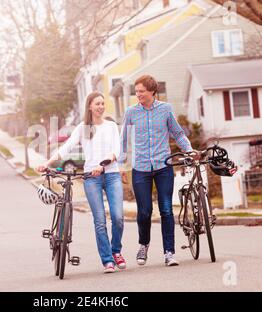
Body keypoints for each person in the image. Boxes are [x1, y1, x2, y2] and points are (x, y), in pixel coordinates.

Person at [37, 92, 126, 274]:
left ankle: (116, 251)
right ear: (90, 107)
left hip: (111, 174)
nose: (101, 106)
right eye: (97, 104)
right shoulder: (83, 128)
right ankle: (107, 260)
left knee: (118, 218)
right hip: (91, 178)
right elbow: (66, 148)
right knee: (100, 220)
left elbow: (117, 149)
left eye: (102, 103)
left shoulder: (111, 126)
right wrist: (47, 163)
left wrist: (104, 164)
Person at [119, 75, 196, 267]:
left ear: (152, 92)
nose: (138, 95)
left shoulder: (166, 109)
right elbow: (123, 141)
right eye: (136, 92)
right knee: (144, 211)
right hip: (141, 168)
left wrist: (189, 150)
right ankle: (143, 245)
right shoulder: (131, 112)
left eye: (141, 92)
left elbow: (178, 133)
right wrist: (120, 164)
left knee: (166, 209)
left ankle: (169, 252)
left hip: (163, 166)